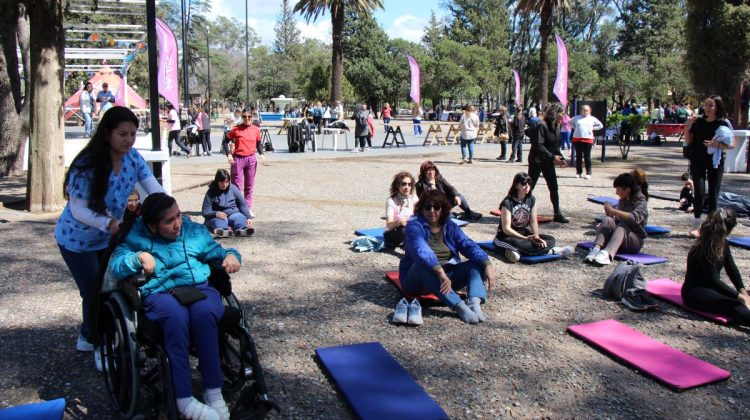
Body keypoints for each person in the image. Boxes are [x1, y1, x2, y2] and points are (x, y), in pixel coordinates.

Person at [108, 193, 241, 420]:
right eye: (169, 221)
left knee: (205, 313)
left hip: (197, 286)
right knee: (175, 319)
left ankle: (213, 392)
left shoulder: (191, 231)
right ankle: (183, 399)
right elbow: (116, 265)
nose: (177, 223)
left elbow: (217, 250)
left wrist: (231, 255)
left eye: (178, 216)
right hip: (160, 293)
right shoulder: (136, 235)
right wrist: (138, 257)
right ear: (152, 225)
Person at [55, 106, 164, 353]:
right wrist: (109, 223)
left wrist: (168, 212)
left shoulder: (133, 158)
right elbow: (79, 210)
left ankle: (88, 334)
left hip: (108, 237)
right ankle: (98, 344)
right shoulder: (86, 165)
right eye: (123, 134)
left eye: (133, 134)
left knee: (112, 285)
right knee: (94, 290)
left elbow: (153, 188)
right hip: (77, 240)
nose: (129, 140)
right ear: (107, 134)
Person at [399, 189, 495, 324]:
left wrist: (487, 263)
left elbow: (467, 244)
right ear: (421, 209)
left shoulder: (449, 225)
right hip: (417, 280)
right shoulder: (414, 226)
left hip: (447, 277)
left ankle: (474, 301)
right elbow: (421, 251)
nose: (432, 210)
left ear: (442, 209)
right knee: (421, 266)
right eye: (428, 207)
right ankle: (458, 306)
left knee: (476, 263)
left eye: (436, 207)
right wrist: (440, 272)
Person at [681, 208, 750, 326]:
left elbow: (732, 268)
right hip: (695, 293)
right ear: (728, 229)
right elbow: (714, 281)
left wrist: (743, 292)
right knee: (735, 305)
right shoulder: (705, 247)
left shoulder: (723, 243)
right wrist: (740, 298)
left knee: (743, 296)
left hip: (712, 288)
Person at [683, 95, 734, 237]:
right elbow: (688, 139)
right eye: (706, 105)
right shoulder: (698, 122)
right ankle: (696, 224)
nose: (707, 108)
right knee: (698, 192)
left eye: (711, 105)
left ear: (717, 107)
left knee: (713, 194)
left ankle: (712, 227)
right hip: (698, 159)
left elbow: (732, 144)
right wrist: (688, 125)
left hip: (715, 161)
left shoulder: (723, 123)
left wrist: (717, 144)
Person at [493, 172, 573, 262]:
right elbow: (506, 229)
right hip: (505, 237)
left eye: (529, 183)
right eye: (523, 184)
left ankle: (518, 253)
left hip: (524, 234)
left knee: (550, 240)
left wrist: (536, 237)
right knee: (518, 243)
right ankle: (552, 251)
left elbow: (533, 221)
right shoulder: (508, 202)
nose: (527, 186)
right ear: (516, 185)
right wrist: (525, 238)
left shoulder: (531, 199)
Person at [584, 171, 649, 266]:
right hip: (619, 239)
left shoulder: (641, 202)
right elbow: (616, 220)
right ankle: (596, 249)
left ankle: (607, 254)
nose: (616, 193)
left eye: (618, 189)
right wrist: (610, 213)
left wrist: (614, 211)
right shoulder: (622, 200)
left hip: (634, 242)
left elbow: (634, 218)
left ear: (627, 189)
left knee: (621, 227)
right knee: (607, 220)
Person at [528, 102, 569, 223]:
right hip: (537, 160)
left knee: (553, 187)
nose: (564, 116)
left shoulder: (556, 126)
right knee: (529, 187)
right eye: (562, 113)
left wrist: (561, 158)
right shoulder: (542, 125)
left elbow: (554, 146)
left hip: (548, 161)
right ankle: (521, 211)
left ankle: (557, 213)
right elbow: (538, 145)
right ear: (555, 113)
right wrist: (552, 157)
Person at [415, 160, 482, 220]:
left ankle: (469, 213)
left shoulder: (439, 178)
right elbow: (423, 201)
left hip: (445, 202)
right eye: (428, 170)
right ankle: (455, 215)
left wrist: (456, 196)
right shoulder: (420, 185)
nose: (431, 172)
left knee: (460, 197)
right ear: (424, 172)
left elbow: (450, 188)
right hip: (434, 208)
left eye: (433, 170)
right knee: (449, 218)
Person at [226, 108, 264, 210]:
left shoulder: (255, 129)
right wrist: (228, 154)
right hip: (238, 159)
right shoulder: (236, 129)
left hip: (251, 159)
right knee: (236, 186)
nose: (247, 118)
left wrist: (261, 153)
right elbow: (225, 141)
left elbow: (258, 143)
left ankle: (247, 209)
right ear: (242, 117)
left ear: (252, 117)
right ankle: (237, 208)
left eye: (249, 116)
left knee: (249, 186)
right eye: (244, 116)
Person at [202, 169, 255, 237]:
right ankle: (223, 231)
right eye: (222, 182)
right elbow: (205, 212)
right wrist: (216, 214)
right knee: (218, 222)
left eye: (227, 182)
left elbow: (242, 205)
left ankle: (242, 230)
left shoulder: (233, 189)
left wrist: (248, 217)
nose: (225, 185)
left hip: (233, 213)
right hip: (218, 217)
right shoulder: (211, 192)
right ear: (217, 181)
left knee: (240, 218)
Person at [568, 104, 604, 179]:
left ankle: (588, 173)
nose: (585, 112)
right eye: (584, 110)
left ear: (589, 111)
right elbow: (569, 123)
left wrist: (592, 128)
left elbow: (600, 125)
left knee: (587, 157)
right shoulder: (576, 118)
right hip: (577, 139)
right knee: (578, 157)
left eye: (587, 110)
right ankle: (578, 172)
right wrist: (575, 127)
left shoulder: (592, 119)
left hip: (588, 140)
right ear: (581, 111)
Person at [384, 171, 418, 248]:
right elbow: (388, 224)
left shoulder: (413, 198)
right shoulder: (391, 200)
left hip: (409, 228)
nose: (407, 187)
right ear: (397, 185)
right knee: (404, 229)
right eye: (403, 184)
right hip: (393, 232)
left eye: (409, 184)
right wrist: (399, 222)